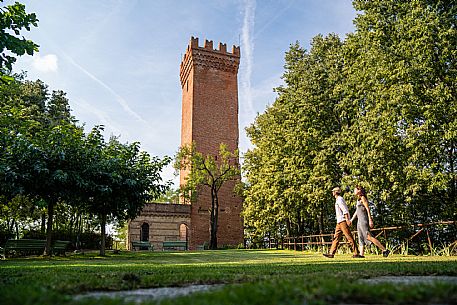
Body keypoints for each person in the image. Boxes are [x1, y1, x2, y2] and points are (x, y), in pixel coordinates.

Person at [323, 187, 363, 258]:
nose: (332, 193)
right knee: (336, 237)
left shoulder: (340, 199)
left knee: (349, 237)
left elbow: (345, 210)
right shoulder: (338, 200)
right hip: (339, 222)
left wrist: (347, 220)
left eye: (333, 191)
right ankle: (331, 253)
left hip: (343, 221)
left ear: (335, 192)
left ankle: (356, 253)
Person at [351, 185, 390, 257]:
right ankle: (361, 254)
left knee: (368, 236)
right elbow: (357, 211)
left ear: (359, 190)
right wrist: (351, 220)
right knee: (360, 237)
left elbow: (368, 209)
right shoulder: (358, 199)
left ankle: (385, 250)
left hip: (364, 220)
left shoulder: (363, 198)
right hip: (359, 221)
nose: (354, 191)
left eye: (355, 189)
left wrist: (370, 220)